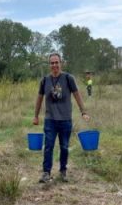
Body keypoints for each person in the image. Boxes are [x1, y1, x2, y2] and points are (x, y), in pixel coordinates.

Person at [33, 53, 90, 183]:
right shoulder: (45, 80)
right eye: (52, 63)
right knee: (48, 146)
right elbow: (39, 99)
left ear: (61, 63)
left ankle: (63, 171)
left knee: (64, 146)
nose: (54, 65)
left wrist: (83, 112)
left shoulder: (68, 78)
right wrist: (36, 116)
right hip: (50, 120)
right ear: (49, 65)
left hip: (65, 120)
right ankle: (46, 172)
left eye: (56, 62)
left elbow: (77, 95)